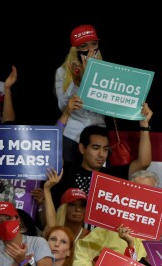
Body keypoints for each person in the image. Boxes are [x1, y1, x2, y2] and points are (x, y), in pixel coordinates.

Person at [54, 24, 106, 166]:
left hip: (98, 137)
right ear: (75, 49)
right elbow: (63, 106)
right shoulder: (63, 72)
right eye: (84, 46)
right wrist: (79, 80)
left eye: (94, 44)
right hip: (72, 136)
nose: (90, 50)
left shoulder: (107, 71)